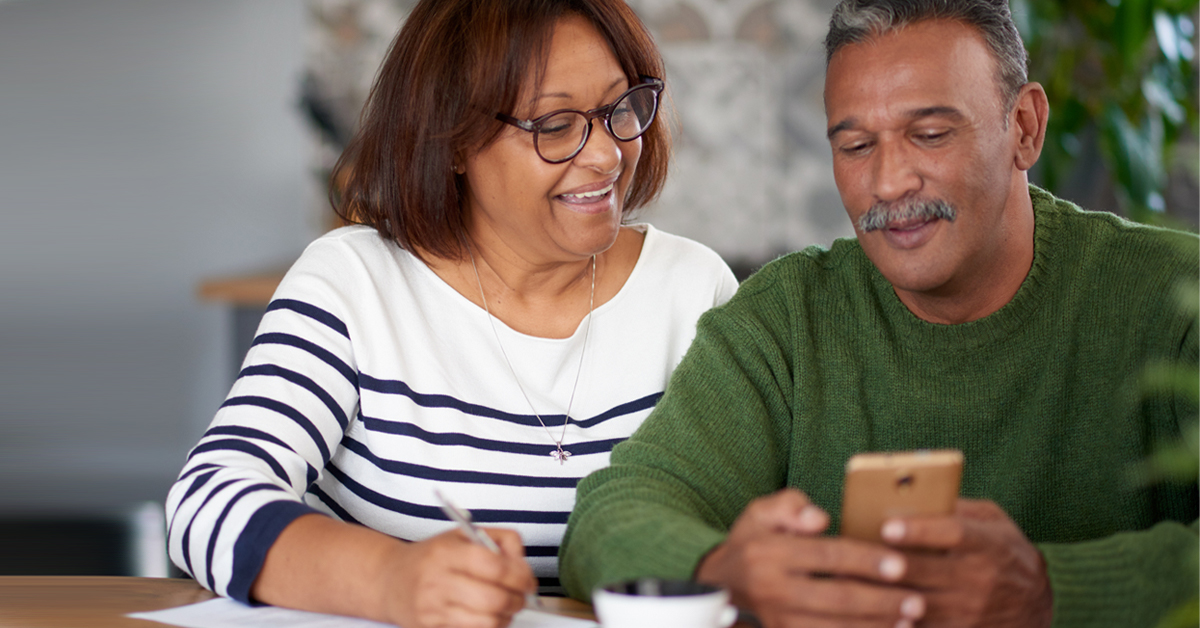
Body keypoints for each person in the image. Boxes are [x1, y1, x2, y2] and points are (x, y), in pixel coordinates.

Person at [559, 1, 1199, 626]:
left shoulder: (1177, 299)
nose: (889, 183)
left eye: (930, 134)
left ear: (1026, 127)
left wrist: (1052, 593)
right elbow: (610, 518)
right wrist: (718, 567)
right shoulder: (788, 317)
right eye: (857, 145)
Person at [165, 1, 737, 627]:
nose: (605, 156)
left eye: (618, 109)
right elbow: (206, 502)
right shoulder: (355, 284)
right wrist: (391, 580)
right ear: (455, 141)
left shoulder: (693, 289)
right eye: (554, 124)